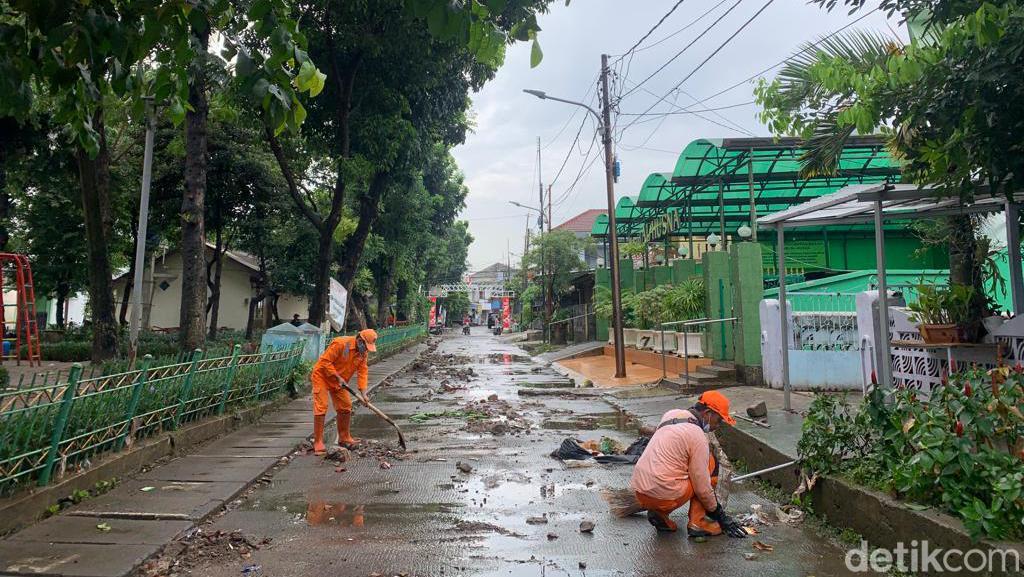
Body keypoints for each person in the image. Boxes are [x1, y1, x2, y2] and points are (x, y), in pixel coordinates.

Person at [630, 390, 747, 538]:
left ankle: (659, 513)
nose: (718, 426)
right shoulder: (697, 437)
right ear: (707, 413)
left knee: (679, 470)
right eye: (718, 420)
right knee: (710, 465)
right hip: (664, 495)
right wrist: (721, 517)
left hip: (640, 492)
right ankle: (698, 523)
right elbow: (703, 489)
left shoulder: (670, 414)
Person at [309, 329, 378, 455]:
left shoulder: (362, 354)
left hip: (339, 381)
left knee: (346, 406)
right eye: (366, 346)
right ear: (359, 340)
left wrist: (364, 394)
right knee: (321, 406)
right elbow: (325, 362)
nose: (367, 350)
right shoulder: (341, 343)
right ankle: (318, 442)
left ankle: (344, 437)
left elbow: (363, 372)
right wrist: (337, 376)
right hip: (322, 376)